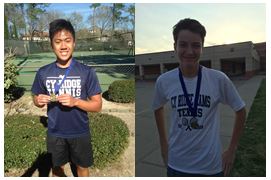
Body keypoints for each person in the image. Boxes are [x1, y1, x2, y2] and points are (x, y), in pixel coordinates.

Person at [152, 18, 246, 177]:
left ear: (202, 48)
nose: (189, 51)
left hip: (210, 167)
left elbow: (241, 111)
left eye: (196, 45)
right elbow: (157, 107)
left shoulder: (218, 79)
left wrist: (232, 149)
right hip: (176, 165)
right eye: (183, 44)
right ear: (175, 46)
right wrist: (163, 144)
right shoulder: (164, 81)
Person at [31, 19, 102, 177]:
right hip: (55, 132)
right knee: (57, 168)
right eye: (58, 42)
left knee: (82, 167)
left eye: (67, 41)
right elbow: (35, 99)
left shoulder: (87, 72)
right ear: (51, 45)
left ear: (74, 42)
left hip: (80, 131)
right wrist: (38, 100)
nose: (63, 46)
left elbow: (97, 106)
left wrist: (75, 101)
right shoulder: (43, 72)